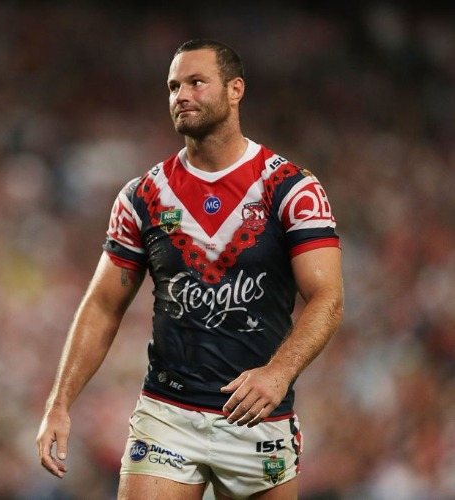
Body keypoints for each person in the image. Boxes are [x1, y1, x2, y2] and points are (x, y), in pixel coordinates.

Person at [36, 38, 344, 499]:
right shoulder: (143, 196)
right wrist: (59, 402)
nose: (181, 95)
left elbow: (328, 299)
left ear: (235, 89)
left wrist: (278, 374)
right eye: (173, 86)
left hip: (259, 417)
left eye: (196, 82)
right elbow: (102, 305)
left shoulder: (291, 189)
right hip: (168, 413)